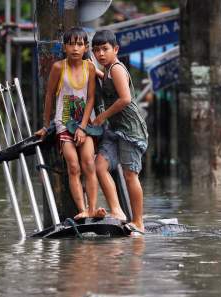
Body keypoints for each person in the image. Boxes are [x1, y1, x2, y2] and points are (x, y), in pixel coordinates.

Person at [35, 27, 106, 220]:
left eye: (79, 44)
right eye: (71, 44)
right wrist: (45, 124)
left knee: (89, 164)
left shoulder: (89, 68)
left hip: (85, 124)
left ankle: (93, 208)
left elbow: (91, 98)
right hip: (63, 123)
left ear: (85, 48)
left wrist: (83, 127)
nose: (75, 48)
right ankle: (83, 209)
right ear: (65, 47)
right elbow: (49, 96)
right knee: (73, 167)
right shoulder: (59, 67)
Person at [92, 30, 148, 234]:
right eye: (96, 50)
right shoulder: (107, 71)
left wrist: (102, 116)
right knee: (99, 165)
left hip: (130, 129)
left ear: (115, 49)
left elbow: (125, 99)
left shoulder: (115, 68)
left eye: (105, 49)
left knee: (130, 175)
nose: (101, 54)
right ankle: (117, 211)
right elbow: (108, 84)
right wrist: (95, 72)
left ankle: (139, 221)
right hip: (115, 130)